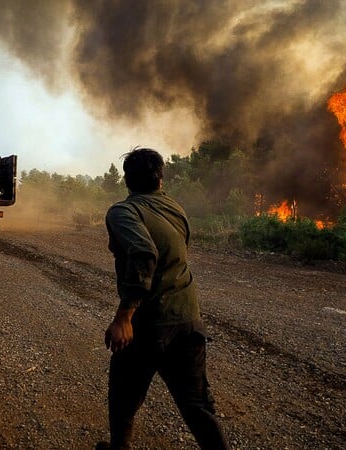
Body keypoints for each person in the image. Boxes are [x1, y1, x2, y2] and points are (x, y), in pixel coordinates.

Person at [98, 148, 229, 450]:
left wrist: (124, 317)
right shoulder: (175, 207)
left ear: (126, 180)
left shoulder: (123, 211)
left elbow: (145, 253)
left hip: (149, 324)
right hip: (189, 320)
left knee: (123, 399)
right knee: (198, 406)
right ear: (161, 179)